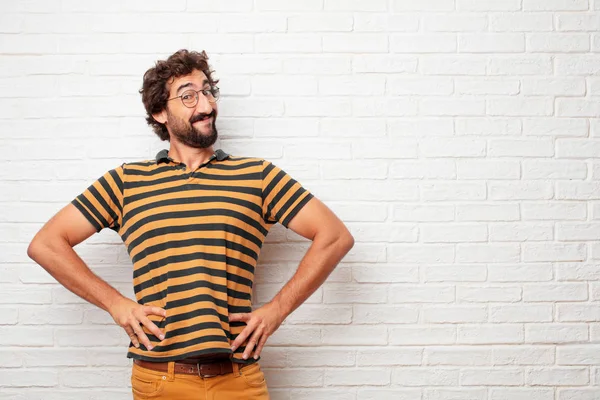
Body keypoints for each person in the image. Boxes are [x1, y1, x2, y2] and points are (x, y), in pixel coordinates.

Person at [26, 49, 355, 399]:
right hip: (159, 382)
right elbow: (46, 244)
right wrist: (115, 303)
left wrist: (277, 311)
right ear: (159, 112)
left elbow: (334, 236)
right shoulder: (126, 182)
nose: (207, 105)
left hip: (239, 380)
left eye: (208, 91)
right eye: (188, 96)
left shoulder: (257, 176)